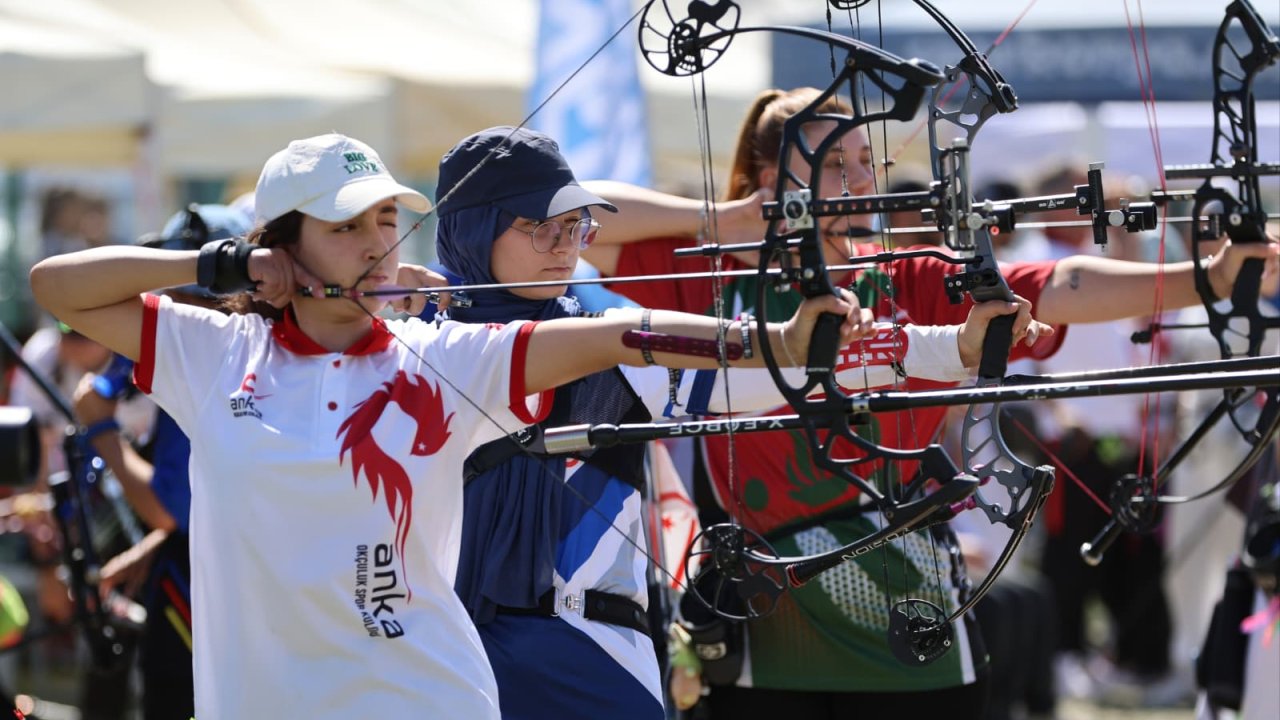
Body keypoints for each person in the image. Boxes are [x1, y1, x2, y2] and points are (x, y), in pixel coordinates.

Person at [28, 132, 886, 719]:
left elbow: (615, 335)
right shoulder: (211, 350)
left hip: (424, 699)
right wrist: (216, 267)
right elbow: (56, 286)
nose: (374, 241)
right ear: (283, 244)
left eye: (385, 219)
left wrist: (770, 340)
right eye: (345, 225)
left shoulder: (439, 355)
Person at [577, 87, 1278, 719]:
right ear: (773, 181)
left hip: (909, 619)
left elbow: (1056, 283)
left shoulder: (900, 275)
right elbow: (577, 216)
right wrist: (726, 218)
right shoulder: (711, 282)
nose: (858, 180)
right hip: (766, 619)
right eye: (833, 162)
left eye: (864, 160)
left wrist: (1209, 278)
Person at [433, 126, 1048, 720]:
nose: (567, 245)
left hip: (593, 656)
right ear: (475, 229)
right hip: (450, 649)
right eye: (541, 228)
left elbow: (775, 374)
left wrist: (954, 348)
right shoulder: (412, 351)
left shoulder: (607, 345)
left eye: (576, 225)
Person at [72, 203, 253, 720]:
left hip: (202, 605)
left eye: (183, 283)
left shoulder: (211, 360)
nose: (167, 301)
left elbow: (168, 510)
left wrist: (101, 429)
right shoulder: (264, 354)